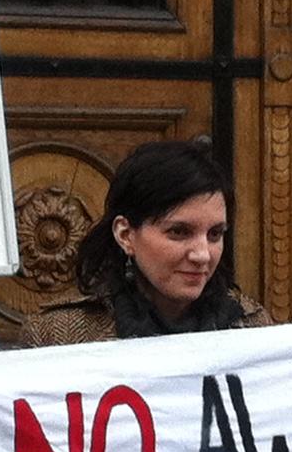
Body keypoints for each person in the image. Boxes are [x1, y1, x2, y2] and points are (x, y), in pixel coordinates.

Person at [21, 139, 270, 346]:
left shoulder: (253, 329)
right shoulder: (57, 337)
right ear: (125, 235)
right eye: (179, 232)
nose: (202, 254)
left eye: (214, 234)